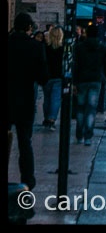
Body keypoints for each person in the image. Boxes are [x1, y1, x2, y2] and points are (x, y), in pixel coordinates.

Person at [7, 13, 49, 190]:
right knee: (25, 142)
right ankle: (28, 180)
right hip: (25, 100)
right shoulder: (36, 47)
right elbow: (43, 77)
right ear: (29, 27)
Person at [72, 25, 106, 147]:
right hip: (96, 80)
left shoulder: (79, 48)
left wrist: (73, 82)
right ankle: (88, 136)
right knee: (91, 109)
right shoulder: (103, 48)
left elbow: (75, 66)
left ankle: (79, 135)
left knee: (80, 108)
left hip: (81, 80)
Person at [41, 25, 65, 129]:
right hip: (58, 76)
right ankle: (51, 118)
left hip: (47, 76)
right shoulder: (62, 49)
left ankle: (46, 117)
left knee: (47, 98)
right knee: (55, 98)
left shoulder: (45, 48)